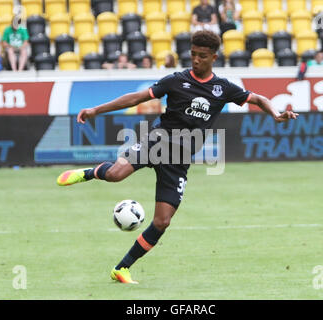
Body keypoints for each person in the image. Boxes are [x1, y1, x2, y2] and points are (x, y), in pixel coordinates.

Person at [56, 30, 299, 284]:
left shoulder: (223, 88)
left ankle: (122, 268)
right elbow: (136, 97)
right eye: (193, 54)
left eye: (202, 56)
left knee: (162, 221)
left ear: (214, 57)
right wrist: (97, 109)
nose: (196, 60)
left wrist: (275, 113)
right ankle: (86, 173)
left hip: (179, 159)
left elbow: (257, 98)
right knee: (116, 174)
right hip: (156, 142)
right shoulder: (176, 80)